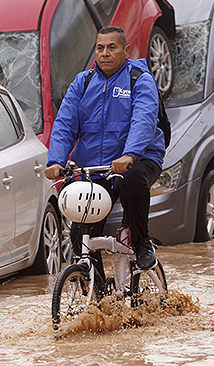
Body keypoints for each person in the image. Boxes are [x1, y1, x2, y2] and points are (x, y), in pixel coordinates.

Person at [45, 25, 165, 272]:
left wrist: (130, 154)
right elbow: (65, 123)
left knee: (132, 179)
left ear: (126, 50)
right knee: (81, 236)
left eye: (112, 47)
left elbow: (143, 119)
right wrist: (55, 161)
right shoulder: (83, 82)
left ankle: (143, 243)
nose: (105, 53)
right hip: (96, 168)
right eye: (100, 48)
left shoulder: (139, 79)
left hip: (139, 159)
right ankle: (99, 295)